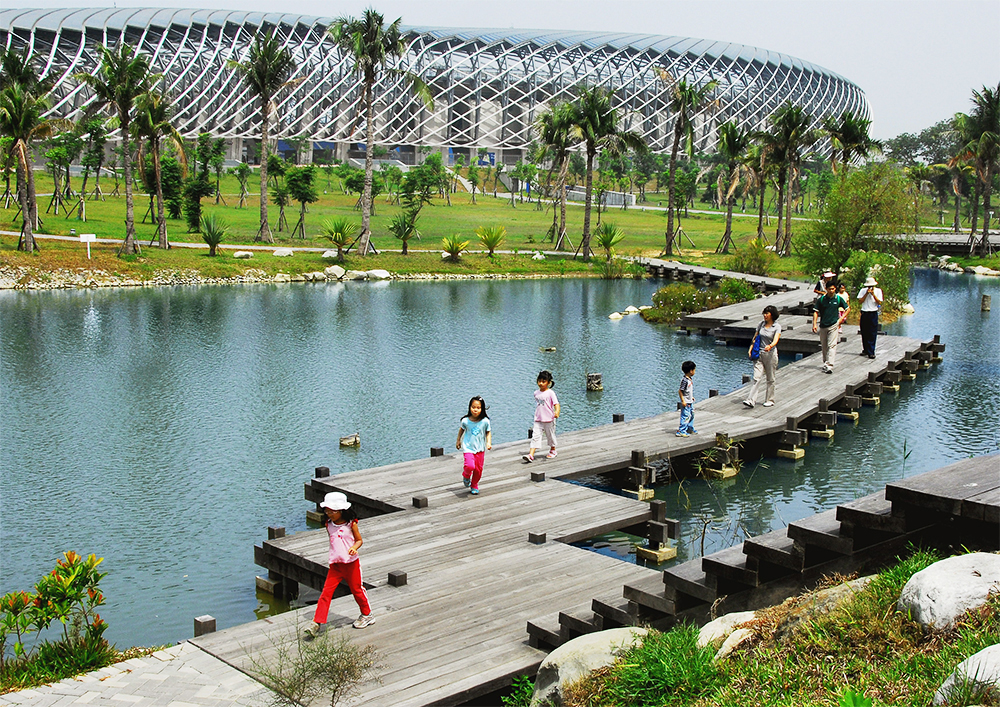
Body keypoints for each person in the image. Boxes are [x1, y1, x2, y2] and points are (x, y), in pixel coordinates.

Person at [303, 492, 374, 638]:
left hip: (351, 564)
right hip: (335, 565)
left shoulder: (351, 524)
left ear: (341, 510)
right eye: (327, 510)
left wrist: (354, 547)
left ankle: (367, 614)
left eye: (332, 511)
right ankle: (317, 622)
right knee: (326, 593)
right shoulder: (328, 524)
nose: (329, 514)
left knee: (357, 590)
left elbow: (359, 540)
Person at [743, 305, 781, 409]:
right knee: (757, 377)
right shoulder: (761, 325)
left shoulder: (776, 326)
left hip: (770, 354)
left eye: (767, 313)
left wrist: (771, 345)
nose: (765, 315)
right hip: (758, 354)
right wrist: (751, 348)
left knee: (770, 378)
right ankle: (751, 400)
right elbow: (755, 337)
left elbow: (776, 339)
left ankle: (769, 399)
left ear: (772, 315)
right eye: (764, 313)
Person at [456, 396, 492, 495]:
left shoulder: (485, 421)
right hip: (468, 448)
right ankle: (466, 475)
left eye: (478, 408)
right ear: (469, 407)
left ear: (482, 409)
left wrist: (488, 442)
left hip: (480, 449)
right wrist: (458, 440)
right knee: (469, 466)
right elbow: (461, 430)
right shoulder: (465, 421)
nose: (475, 410)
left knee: (478, 470)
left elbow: (488, 432)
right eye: (473, 407)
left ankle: (474, 484)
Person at [812, 280, 848, 374]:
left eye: (833, 289)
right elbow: (816, 311)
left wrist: (841, 319)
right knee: (824, 346)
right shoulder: (822, 300)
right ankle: (825, 362)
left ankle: (829, 365)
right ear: (826, 289)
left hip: (834, 325)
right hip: (823, 325)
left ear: (835, 289)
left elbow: (847, 309)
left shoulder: (838, 299)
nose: (831, 291)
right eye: (829, 289)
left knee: (832, 345)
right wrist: (814, 324)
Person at [523, 371, 559, 462]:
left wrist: (557, 411)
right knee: (535, 436)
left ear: (548, 383)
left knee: (550, 435)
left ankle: (553, 450)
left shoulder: (550, 393)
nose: (541, 383)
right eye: (539, 381)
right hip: (538, 418)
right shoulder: (536, 393)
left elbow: (556, 404)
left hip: (549, 419)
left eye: (543, 381)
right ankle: (531, 454)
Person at [857, 276, 884, 359]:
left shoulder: (878, 291)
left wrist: (873, 294)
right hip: (865, 312)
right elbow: (860, 301)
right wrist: (866, 294)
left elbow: (879, 302)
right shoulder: (862, 291)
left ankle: (871, 351)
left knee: (872, 332)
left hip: (873, 313)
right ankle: (866, 349)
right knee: (864, 332)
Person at [676, 360, 698, 437]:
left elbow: (688, 391)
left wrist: (691, 397)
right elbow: (680, 391)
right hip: (686, 402)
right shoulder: (685, 381)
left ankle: (689, 428)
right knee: (685, 416)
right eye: (694, 369)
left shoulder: (689, 379)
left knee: (692, 414)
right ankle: (681, 430)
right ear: (691, 371)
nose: (695, 371)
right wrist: (683, 401)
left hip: (690, 401)